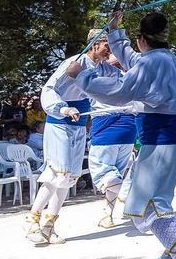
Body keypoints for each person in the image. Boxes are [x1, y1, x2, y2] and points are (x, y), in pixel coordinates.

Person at [70, 11, 176, 259]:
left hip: (167, 140)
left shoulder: (151, 63)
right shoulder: (164, 58)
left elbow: (120, 91)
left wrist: (82, 76)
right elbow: (131, 59)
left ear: (141, 39)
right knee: (149, 201)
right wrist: (115, 30)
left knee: (149, 204)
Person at [25, 28, 114, 245]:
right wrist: (62, 109)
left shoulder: (101, 68)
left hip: (79, 124)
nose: (109, 51)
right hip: (60, 122)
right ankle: (32, 222)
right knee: (57, 172)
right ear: (95, 44)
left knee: (69, 177)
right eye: (106, 46)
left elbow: (114, 87)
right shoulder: (75, 62)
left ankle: (49, 225)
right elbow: (50, 89)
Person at [87, 52, 137, 229]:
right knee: (114, 175)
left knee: (103, 173)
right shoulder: (129, 77)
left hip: (107, 127)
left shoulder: (97, 72)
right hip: (129, 128)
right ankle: (107, 214)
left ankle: (132, 195)